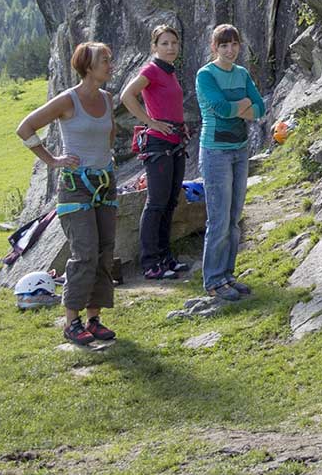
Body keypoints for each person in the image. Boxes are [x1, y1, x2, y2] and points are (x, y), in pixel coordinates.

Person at [14, 41, 120, 347]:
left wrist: (104, 155)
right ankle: (71, 321)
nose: (109, 65)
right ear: (87, 66)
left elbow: (110, 134)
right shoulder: (67, 101)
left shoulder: (107, 98)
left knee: (104, 251)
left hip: (104, 182)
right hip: (75, 187)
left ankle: (94, 318)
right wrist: (53, 160)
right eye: (104, 60)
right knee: (85, 251)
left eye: (109, 60)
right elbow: (25, 128)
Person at [194, 24, 268, 302]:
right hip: (215, 152)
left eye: (234, 44)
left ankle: (227, 275)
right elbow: (221, 109)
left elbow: (260, 108)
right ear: (214, 48)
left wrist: (241, 106)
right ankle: (213, 280)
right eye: (223, 45)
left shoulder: (242, 73)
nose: (230, 49)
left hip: (240, 149)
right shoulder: (206, 75)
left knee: (235, 217)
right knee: (219, 218)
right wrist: (244, 104)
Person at [119, 23, 192, 281]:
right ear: (154, 47)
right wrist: (150, 121)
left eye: (174, 43)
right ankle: (151, 263)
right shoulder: (151, 69)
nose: (170, 47)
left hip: (174, 142)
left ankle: (165, 257)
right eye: (164, 43)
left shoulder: (169, 72)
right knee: (156, 202)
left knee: (170, 201)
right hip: (158, 143)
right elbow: (127, 95)